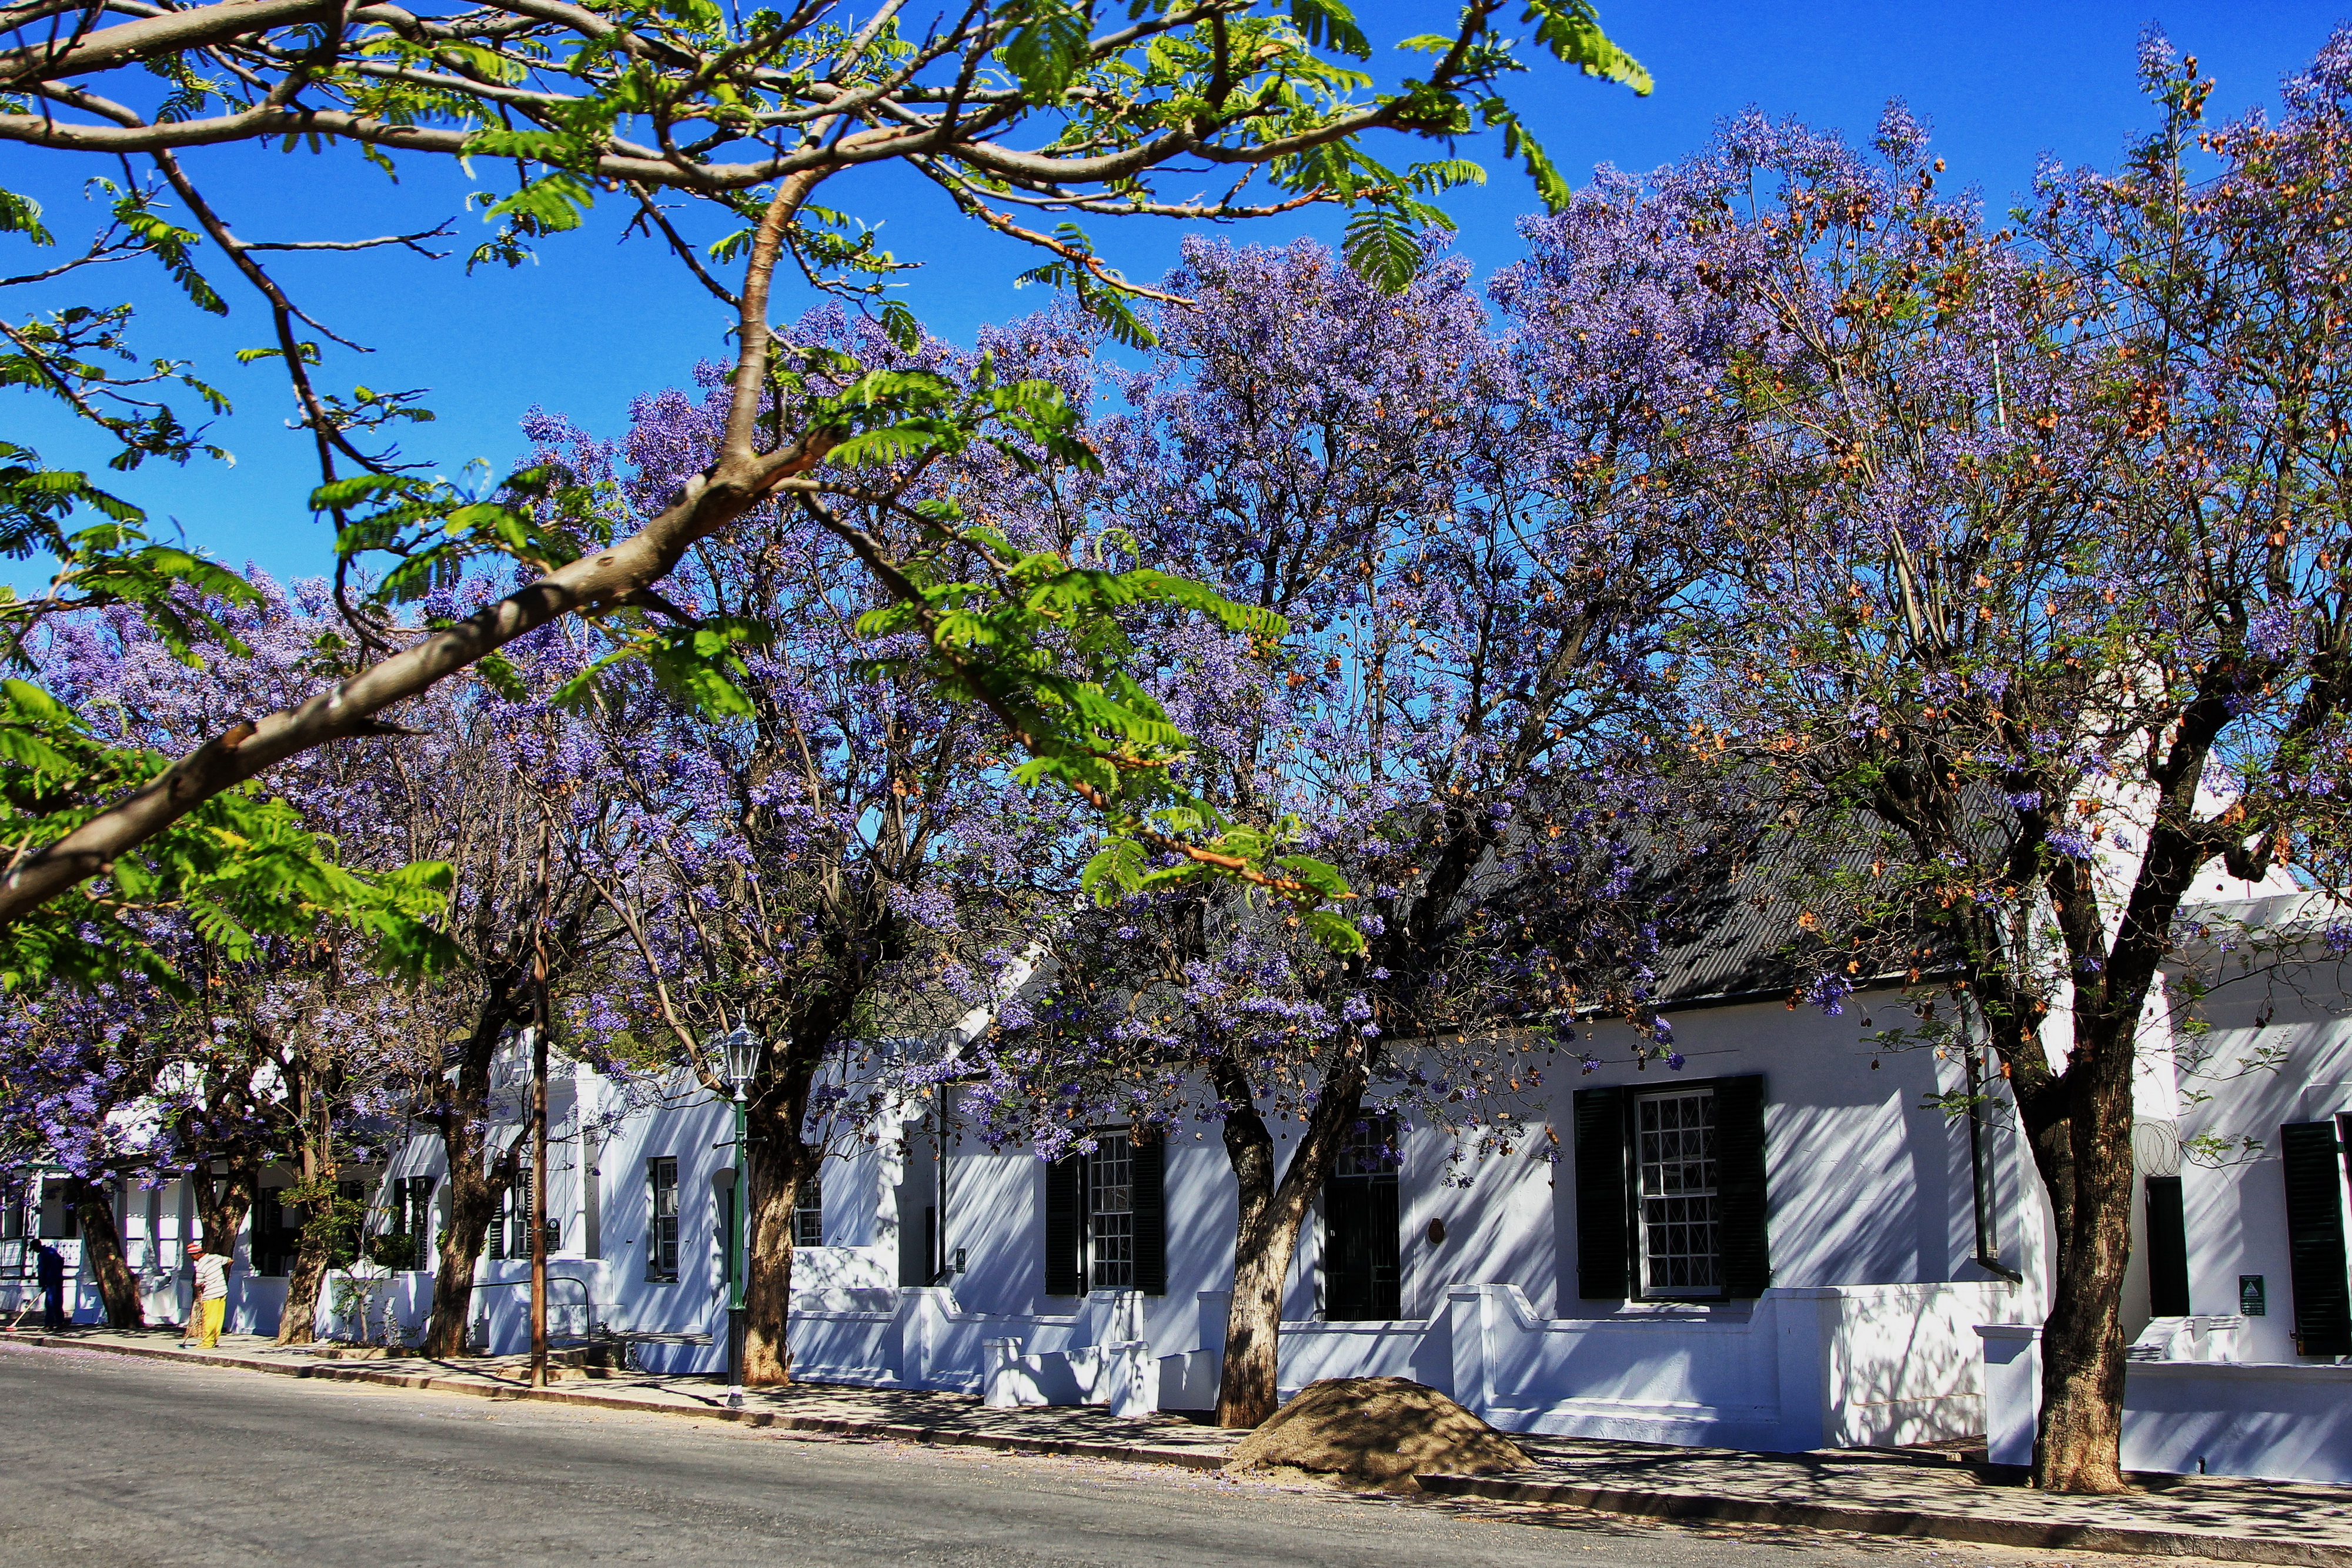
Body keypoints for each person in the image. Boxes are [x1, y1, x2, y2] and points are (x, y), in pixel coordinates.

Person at [183, 1240, 228, 1349]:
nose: (192, 1258)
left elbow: (199, 1283)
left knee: (210, 1318)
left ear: (197, 1254)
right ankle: (213, 1340)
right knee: (218, 1318)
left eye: (192, 1256)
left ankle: (207, 1342)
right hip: (222, 1290)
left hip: (211, 1294)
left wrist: (202, 1288)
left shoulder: (200, 1267)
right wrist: (223, 1271)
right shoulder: (216, 1258)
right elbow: (229, 1260)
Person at [34, 1240, 65, 1332]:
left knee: (50, 1302)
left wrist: (42, 1284)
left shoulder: (43, 1255)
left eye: (34, 1248)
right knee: (58, 1302)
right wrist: (59, 1273)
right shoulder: (52, 1251)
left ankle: (49, 1325)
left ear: (37, 1246)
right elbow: (61, 1261)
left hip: (51, 1280)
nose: (34, 1251)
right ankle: (60, 1323)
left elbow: (41, 1270)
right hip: (58, 1278)